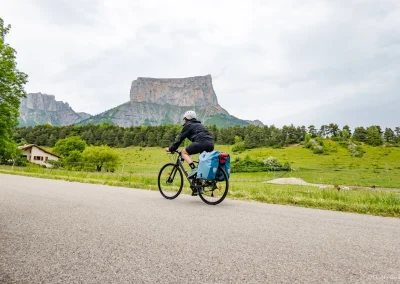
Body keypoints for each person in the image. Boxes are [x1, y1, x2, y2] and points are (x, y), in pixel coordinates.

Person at [165, 110, 214, 178]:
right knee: (201, 166)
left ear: (186, 119)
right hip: (210, 144)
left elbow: (179, 139)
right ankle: (200, 186)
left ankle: (193, 168)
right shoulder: (200, 124)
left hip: (200, 143)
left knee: (184, 153)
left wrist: (171, 149)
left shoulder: (188, 125)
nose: (184, 121)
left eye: (184, 119)